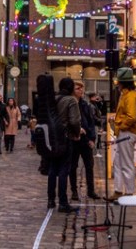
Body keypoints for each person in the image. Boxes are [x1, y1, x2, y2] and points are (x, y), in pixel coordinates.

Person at [106, 67, 136, 202]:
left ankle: (129, 193)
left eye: (118, 81)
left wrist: (119, 125)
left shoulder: (131, 96)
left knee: (125, 163)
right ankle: (118, 190)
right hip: (125, 132)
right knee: (118, 162)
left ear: (123, 82)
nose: (117, 84)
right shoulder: (126, 95)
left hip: (127, 132)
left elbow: (131, 117)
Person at [48, 77, 81, 213]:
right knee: (63, 170)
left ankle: (50, 200)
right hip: (65, 138)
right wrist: (77, 133)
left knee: (52, 169)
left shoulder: (53, 99)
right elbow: (74, 121)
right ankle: (63, 202)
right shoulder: (71, 100)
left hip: (52, 139)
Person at [69, 81, 100, 201]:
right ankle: (74, 191)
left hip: (86, 140)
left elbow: (91, 122)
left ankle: (91, 190)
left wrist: (92, 139)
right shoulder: (70, 103)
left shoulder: (85, 105)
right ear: (73, 90)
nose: (81, 91)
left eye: (82, 89)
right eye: (78, 89)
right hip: (74, 140)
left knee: (89, 166)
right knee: (73, 166)